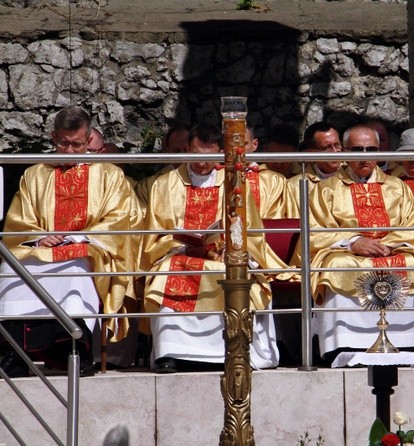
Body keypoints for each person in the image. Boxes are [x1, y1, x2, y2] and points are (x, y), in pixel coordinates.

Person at [0, 105, 141, 377]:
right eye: (63, 143)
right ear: (54, 137)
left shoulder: (109, 174)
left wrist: (77, 236)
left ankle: (76, 352)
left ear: (89, 141)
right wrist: (40, 237)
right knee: (12, 271)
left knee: (75, 270)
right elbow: (20, 220)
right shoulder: (36, 174)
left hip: (89, 247)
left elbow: (119, 217)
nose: (70, 151)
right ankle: (14, 353)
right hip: (43, 248)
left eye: (77, 144)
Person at [141, 123, 290, 373]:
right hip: (180, 254)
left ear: (221, 153)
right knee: (167, 271)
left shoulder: (235, 184)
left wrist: (231, 247)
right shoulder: (164, 185)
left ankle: (230, 350)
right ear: (187, 149)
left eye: (210, 158)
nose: (202, 164)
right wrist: (184, 247)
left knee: (234, 269)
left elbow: (251, 230)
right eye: (197, 156)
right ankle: (170, 352)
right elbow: (155, 235)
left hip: (223, 255)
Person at [309, 124, 414, 362]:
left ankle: (409, 341)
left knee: (412, 261)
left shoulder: (397, 187)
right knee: (337, 266)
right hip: (347, 251)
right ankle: (344, 342)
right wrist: (353, 242)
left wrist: (387, 244)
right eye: (357, 149)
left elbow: (413, 225)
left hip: (391, 249)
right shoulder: (325, 190)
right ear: (344, 152)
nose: (365, 156)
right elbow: (315, 231)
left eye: (371, 149)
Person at [285, 122, 342, 219]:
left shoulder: (353, 175)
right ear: (311, 152)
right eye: (327, 148)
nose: (334, 152)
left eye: (337, 145)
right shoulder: (295, 186)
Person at [134, 122, 190, 212]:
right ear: (167, 152)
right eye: (176, 151)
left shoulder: (207, 180)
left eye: (186, 151)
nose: (182, 156)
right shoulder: (148, 187)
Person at [244, 125, 287, 219]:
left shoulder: (274, 180)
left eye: (244, 144)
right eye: (232, 145)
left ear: (254, 144)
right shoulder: (218, 177)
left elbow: (276, 218)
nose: (238, 150)